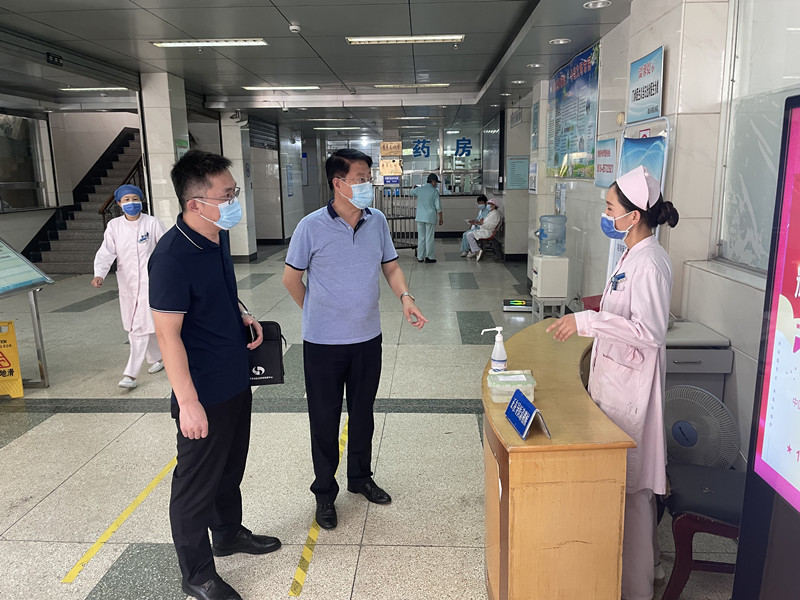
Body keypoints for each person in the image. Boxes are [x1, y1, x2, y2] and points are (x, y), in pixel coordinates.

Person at [148, 150, 280, 600]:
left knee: (230, 466)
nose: (233, 201)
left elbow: (216, 294)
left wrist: (240, 313)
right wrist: (188, 403)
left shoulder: (216, 237)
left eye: (233, 192)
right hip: (202, 390)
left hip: (234, 376)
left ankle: (226, 533)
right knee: (195, 484)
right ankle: (197, 574)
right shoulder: (171, 257)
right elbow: (168, 336)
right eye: (227, 195)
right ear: (195, 203)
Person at [545, 165, 679, 600]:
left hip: (631, 392)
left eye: (609, 208)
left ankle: (638, 589)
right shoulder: (631, 254)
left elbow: (650, 332)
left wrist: (588, 321)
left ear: (633, 215)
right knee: (628, 487)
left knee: (633, 492)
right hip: (618, 383)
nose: (606, 215)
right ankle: (650, 569)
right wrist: (595, 319)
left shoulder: (650, 263)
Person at [282, 148, 428, 531]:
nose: (367, 186)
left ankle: (360, 477)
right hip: (323, 345)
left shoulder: (377, 221)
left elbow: (390, 266)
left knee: (363, 413)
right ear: (338, 183)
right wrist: (316, 312)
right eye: (361, 179)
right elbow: (291, 279)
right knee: (324, 419)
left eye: (368, 179)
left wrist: (406, 297)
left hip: (367, 338)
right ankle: (324, 493)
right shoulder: (310, 226)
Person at [92, 184, 167, 389]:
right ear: (119, 204)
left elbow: (166, 250)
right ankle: (158, 357)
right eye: (126, 200)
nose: (131, 203)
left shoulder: (152, 223)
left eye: (135, 199)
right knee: (139, 322)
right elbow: (107, 251)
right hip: (127, 282)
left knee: (138, 327)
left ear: (141, 201)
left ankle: (131, 375)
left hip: (151, 281)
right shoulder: (114, 226)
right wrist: (99, 273)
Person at [409, 173, 443, 263]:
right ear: (433, 181)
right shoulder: (434, 192)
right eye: (436, 182)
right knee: (429, 238)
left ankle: (420, 257)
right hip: (430, 217)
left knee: (421, 238)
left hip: (420, 217)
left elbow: (411, 192)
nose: (436, 184)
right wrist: (441, 218)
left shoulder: (420, 189)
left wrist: (413, 187)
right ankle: (429, 257)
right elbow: (438, 207)